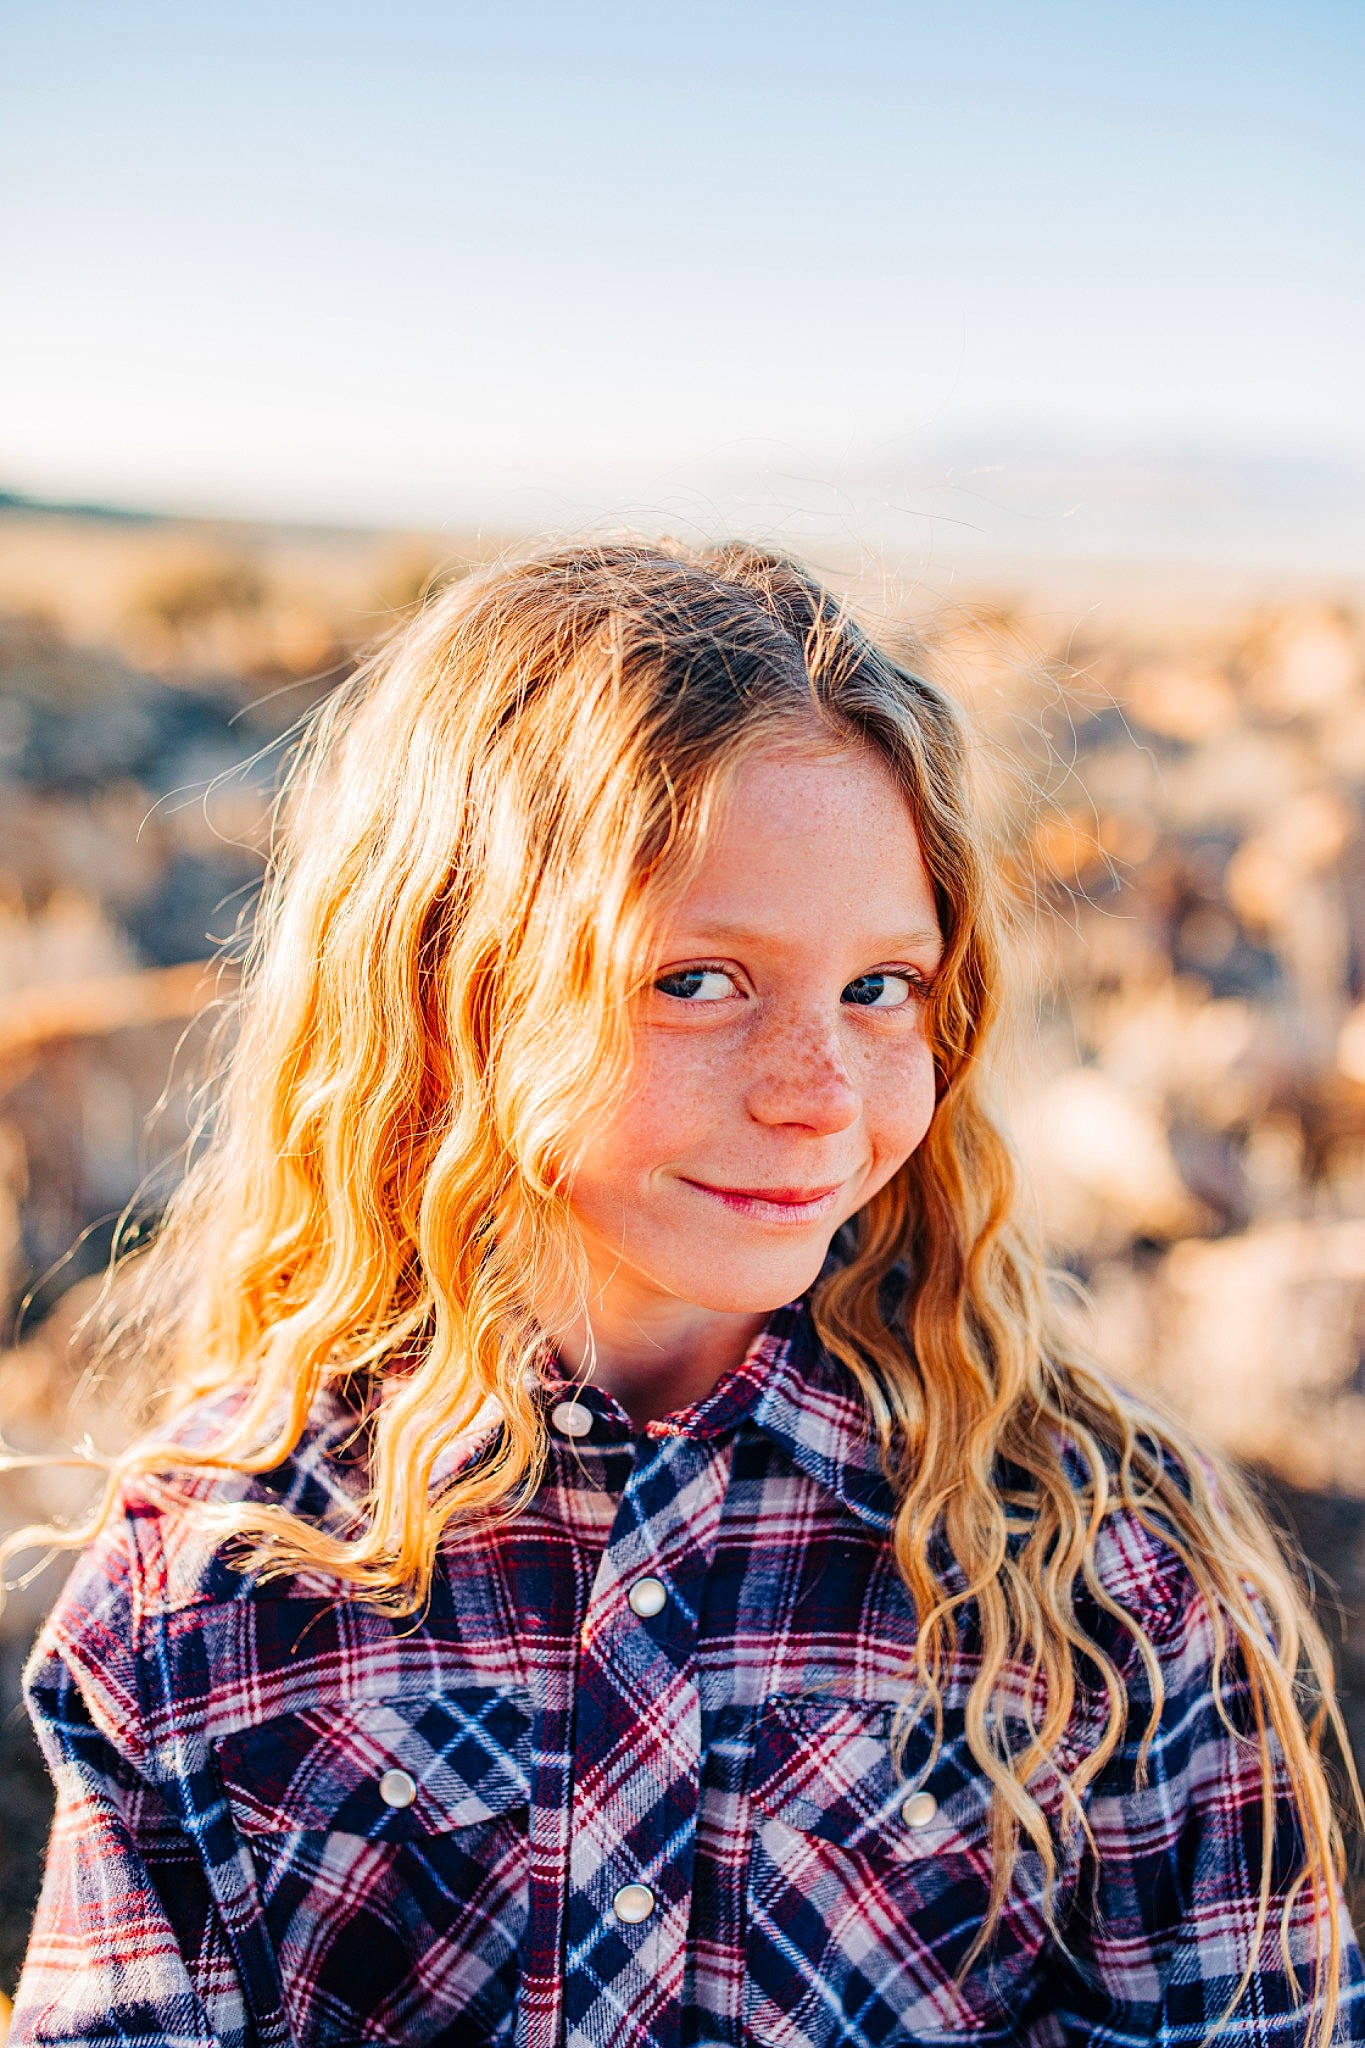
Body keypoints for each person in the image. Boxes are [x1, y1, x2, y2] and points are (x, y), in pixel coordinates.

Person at [5, 541, 1362, 2048]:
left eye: (880, 988)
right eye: (696, 980)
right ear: (449, 989)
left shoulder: (1088, 1560)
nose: (817, 1094)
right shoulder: (214, 1586)